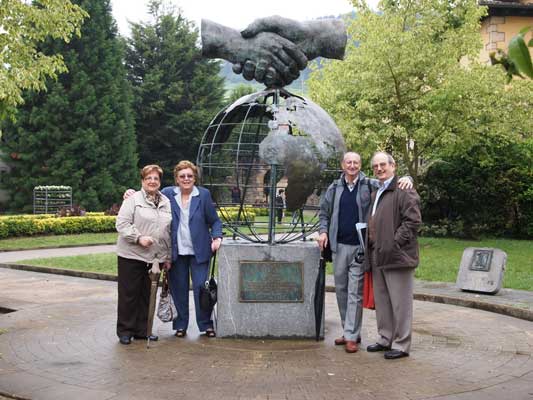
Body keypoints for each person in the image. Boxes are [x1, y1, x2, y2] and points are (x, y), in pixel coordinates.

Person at [318, 152, 412, 353]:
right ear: (343, 165)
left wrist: (408, 178)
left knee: (355, 293)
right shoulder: (334, 188)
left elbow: (393, 185)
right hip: (338, 247)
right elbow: (324, 213)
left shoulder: (370, 185)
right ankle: (349, 331)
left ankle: (352, 336)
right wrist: (323, 232)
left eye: (356, 163)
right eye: (349, 162)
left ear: (360, 166)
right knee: (342, 292)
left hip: (360, 248)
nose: (352, 165)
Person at [364, 152, 421, 360]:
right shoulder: (376, 191)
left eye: (383, 165)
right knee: (383, 301)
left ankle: (401, 344)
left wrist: (395, 242)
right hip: (378, 254)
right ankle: (385, 337)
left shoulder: (404, 189)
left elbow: (413, 222)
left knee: (400, 303)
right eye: (375, 166)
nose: (379, 169)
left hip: (398, 256)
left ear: (393, 166)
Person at [162, 161, 223, 338]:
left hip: (200, 252)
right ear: (177, 179)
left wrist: (217, 237)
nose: (186, 179)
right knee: (178, 289)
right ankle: (180, 325)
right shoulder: (167, 193)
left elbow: (215, 221)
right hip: (176, 253)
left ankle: (206, 324)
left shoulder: (203, 195)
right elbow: (150, 197)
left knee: (200, 289)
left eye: (190, 176)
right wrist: (131, 194)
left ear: (194, 177)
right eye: (182, 176)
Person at [115, 165, 172, 345]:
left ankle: (142, 330)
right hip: (131, 255)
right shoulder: (133, 199)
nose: (152, 181)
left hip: (155, 258)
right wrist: (138, 238)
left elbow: (168, 231)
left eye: (156, 179)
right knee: (129, 294)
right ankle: (125, 331)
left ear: (160, 182)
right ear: (142, 181)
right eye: (149, 178)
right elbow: (122, 224)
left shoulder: (165, 202)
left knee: (148, 295)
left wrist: (168, 256)